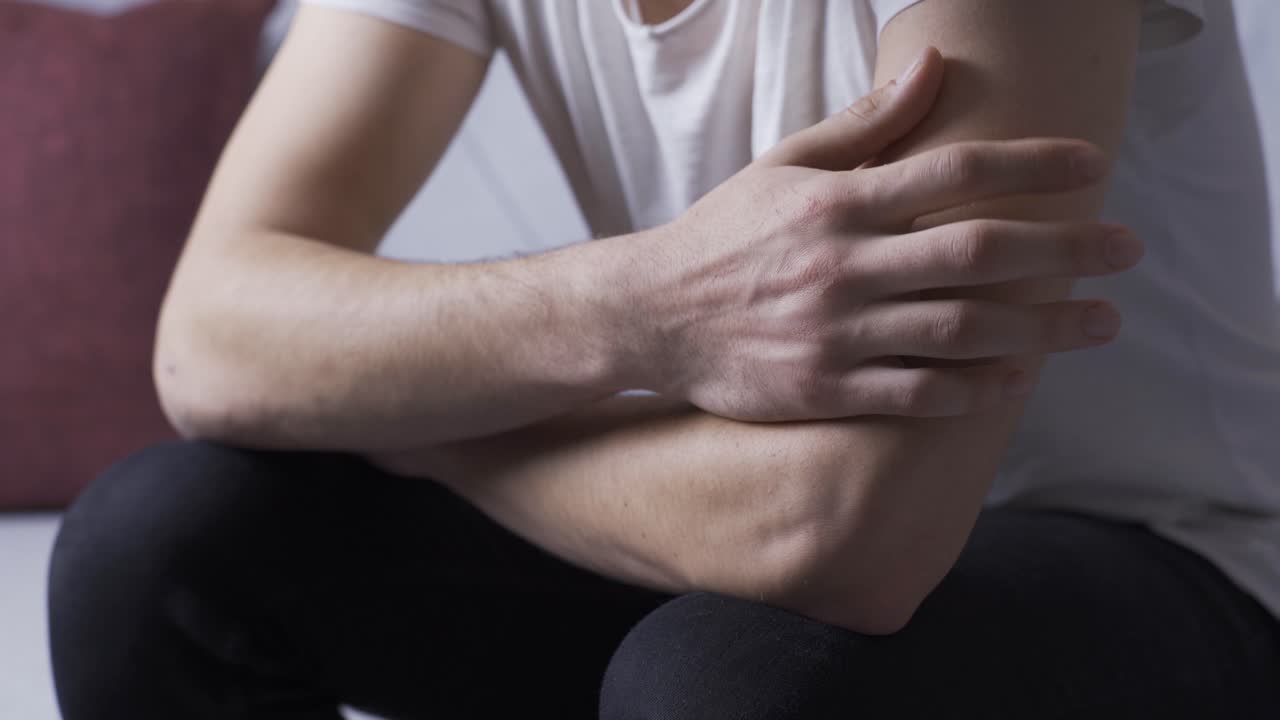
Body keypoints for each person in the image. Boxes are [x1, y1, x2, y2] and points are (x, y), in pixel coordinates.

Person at [47, 0, 1280, 718]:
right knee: (161, 539)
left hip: (1168, 561)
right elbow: (210, 345)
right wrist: (643, 305)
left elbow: (844, 539)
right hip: (710, 520)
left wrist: (425, 423)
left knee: (729, 680)